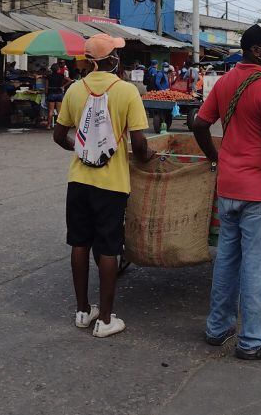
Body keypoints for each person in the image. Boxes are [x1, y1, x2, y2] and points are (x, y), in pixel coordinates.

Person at [191, 22, 261, 360]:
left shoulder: (226, 80)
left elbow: (200, 123)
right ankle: (253, 341)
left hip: (228, 188)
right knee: (256, 266)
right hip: (260, 193)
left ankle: (217, 328)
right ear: (257, 50)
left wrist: (218, 158)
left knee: (227, 260)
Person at [53, 33, 155, 338]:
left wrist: (82, 149)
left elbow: (59, 136)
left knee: (79, 242)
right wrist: (149, 155)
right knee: (109, 248)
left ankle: (83, 311)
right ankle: (106, 318)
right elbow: (138, 144)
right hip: (111, 184)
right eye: (117, 55)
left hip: (78, 180)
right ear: (111, 61)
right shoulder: (127, 91)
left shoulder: (74, 90)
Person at [46, 62, 71, 129]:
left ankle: (48, 125)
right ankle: (59, 126)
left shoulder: (49, 76)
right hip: (59, 93)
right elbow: (70, 80)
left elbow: (46, 86)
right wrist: (63, 86)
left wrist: (46, 93)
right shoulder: (61, 76)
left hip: (51, 93)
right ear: (58, 69)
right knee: (59, 111)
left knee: (50, 110)